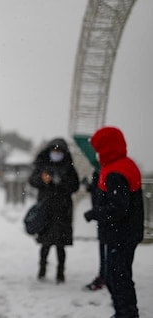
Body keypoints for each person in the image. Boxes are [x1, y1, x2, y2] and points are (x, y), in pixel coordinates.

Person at [85, 126, 143, 318]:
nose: (97, 153)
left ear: (107, 147)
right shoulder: (126, 165)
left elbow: (118, 208)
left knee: (117, 278)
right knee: (120, 276)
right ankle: (125, 312)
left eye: (99, 148)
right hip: (127, 233)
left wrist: (95, 213)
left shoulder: (115, 172)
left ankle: (126, 313)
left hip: (120, 235)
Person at [28, 138, 79, 284]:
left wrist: (61, 182)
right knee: (45, 243)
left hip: (63, 210)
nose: (56, 154)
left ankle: (60, 272)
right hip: (46, 209)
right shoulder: (42, 164)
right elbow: (32, 180)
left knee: (60, 245)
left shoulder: (68, 167)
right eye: (54, 150)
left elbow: (74, 185)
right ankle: (42, 269)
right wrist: (43, 180)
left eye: (59, 151)